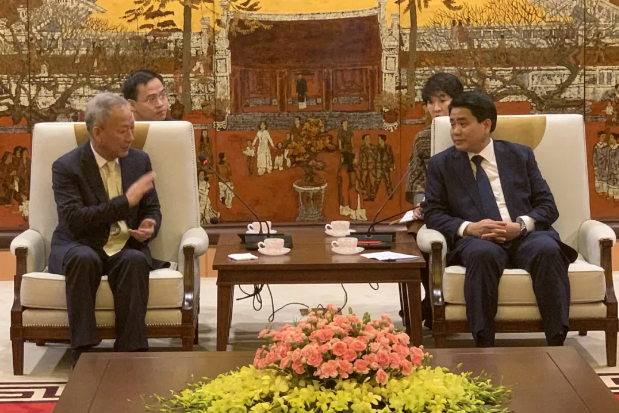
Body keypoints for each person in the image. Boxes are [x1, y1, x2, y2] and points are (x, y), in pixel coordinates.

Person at [424, 91, 577, 347]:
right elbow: (433, 213)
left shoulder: (520, 155)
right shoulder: (442, 164)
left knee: (548, 250)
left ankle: (557, 341)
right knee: (482, 254)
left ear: (486, 125)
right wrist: (469, 228)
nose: (455, 131)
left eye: (463, 124)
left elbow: (548, 206)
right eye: (452, 124)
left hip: (523, 235)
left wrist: (520, 226)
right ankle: (484, 343)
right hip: (478, 240)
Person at [49, 93, 167, 366]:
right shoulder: (66, 167)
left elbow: (152, 208)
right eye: (123, 130)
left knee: (135, 260)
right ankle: (84, 352)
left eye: (132, 128)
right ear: (98, 133)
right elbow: (75, 220)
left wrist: (150, 225)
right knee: (83, 259)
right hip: (80, 243)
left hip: (123, 244)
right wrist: (126, 202)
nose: (130, 137)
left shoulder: (139, 161)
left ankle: (131, 352)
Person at [406, 73, 464, 213]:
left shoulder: (473, 133)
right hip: (434, 208)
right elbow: (416, 182)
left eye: (442, 100)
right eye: (431, 102)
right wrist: (420, 204)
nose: (436, 108)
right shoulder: (422, 138)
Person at [375, 134, 394, 198]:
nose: (378, 140)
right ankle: (374, 195)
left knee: (388, 181)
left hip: (386, 167)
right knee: (376, 181)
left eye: (379, 139)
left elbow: (391, 157)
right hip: (379, 167)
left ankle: (390, 194)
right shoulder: (377, 148)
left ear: (382, 140)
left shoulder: (388, 147)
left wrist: (391, 166)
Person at [593, 130, 609, 195]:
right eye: (602, 136)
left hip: (605, 165)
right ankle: (599, 190)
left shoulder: (607, 147)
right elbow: (594, 157)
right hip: (598, 165)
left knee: (605, 177)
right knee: (598, 177)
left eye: (605, 136)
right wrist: (595, 166)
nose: (604, 138)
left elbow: (608, 157)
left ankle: (605, 190)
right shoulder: (596, 147)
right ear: (599, 137)